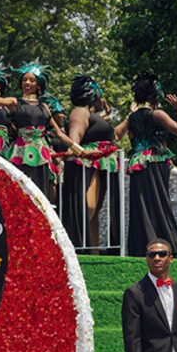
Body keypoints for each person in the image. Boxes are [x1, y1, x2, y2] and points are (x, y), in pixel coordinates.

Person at [0, 59, 75, 199]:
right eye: (25, 80)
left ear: (38, 84)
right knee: (21, 194)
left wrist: (80, 150)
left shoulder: (43, 107)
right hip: (20, 154)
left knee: (41, 195)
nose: (27, 83)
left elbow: (59, 134)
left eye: (32, 80)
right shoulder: (15, 102)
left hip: (41, 157)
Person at [126, 71, 177, 258]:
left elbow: (131, 139)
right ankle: (168, 246)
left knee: (142, 204)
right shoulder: (157, 114)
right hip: (155, 161)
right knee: (160, 202)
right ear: (155, 96)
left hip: (138, 161)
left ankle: (140, 247)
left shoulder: (132, 117)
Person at [63, 74, 127, 253]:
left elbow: (113, 137)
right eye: (100, 95)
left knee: (95, 211)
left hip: (100, 165)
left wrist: (127, 118)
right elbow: (74, 136)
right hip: (88, 165)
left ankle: (94, 250)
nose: (103, 99)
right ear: (93, 95)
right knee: (89, 207)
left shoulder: (92, 115)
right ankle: (80, 248)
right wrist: (78, 151)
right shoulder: (80, 112)